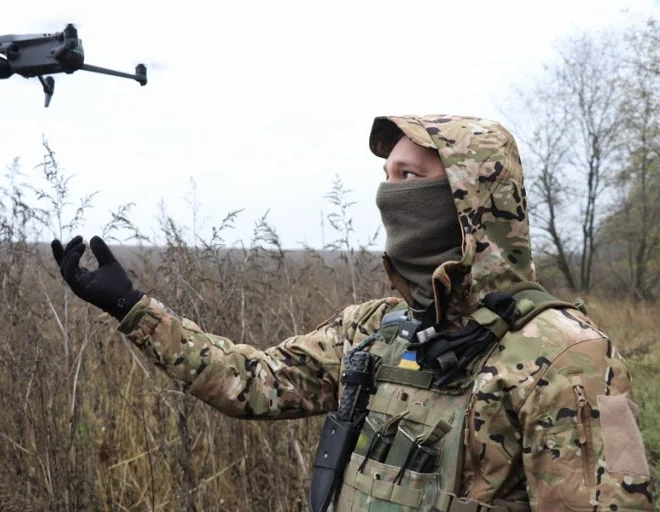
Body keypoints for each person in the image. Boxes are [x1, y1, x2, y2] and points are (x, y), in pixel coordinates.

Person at [51, 114, 655, 511]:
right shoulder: (376, 328)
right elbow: (253, 384)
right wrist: (134, 310)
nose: (391, 192)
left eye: (410, 176)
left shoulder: (565, 355)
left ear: (471, 198)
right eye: (387, 175)